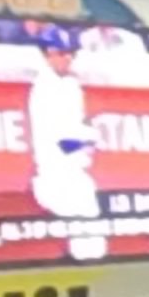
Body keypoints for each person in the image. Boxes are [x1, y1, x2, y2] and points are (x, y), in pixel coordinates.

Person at [28, 28, 100, 221]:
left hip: (76, 173)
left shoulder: (71, 84)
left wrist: (88, 137)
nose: (67, 58)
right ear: (47, 55)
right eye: (61, 53)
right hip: (56, 177)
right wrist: (90, 137)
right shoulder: (44, 87)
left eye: (71, 53)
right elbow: (64, 141)